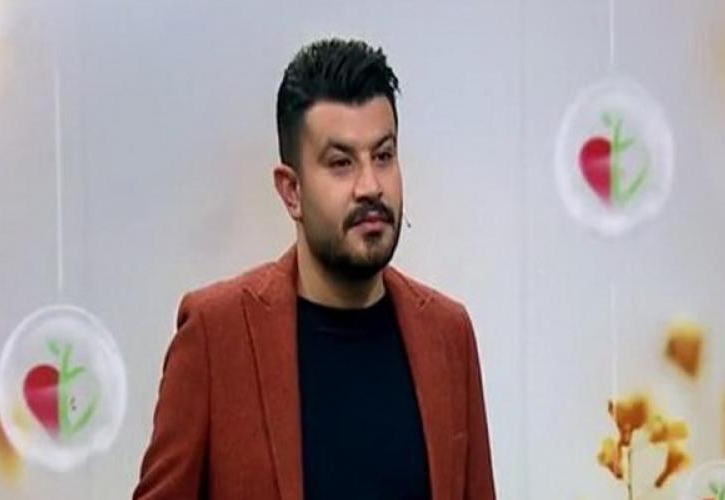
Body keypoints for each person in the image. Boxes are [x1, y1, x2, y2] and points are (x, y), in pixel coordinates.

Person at [132, 37, 495, 500]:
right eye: (341, 163)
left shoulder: (448, 334)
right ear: (291, 192)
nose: (370, 186)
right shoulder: (216, 335)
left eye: (383, 156)